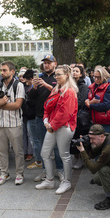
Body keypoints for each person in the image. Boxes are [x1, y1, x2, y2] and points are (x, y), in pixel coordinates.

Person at [35, 65, 78, 194]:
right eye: (56, 74)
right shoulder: (56, 89)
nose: (56, 77)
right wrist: (46, 120)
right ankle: (49, 180)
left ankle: (66, 181)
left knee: (64, 155)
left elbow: (65, 114)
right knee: (45, 153)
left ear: (66, 75)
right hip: (53, 126)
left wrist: (51, 125)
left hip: (64, 127)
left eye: (59, 74)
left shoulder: (69, 91)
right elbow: (47, 106)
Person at [27, 54, 63, 182]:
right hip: (40, 116)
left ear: (55, 63)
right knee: (43, 145)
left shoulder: (58, 76)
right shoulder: (39, 77)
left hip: (56, 116)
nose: (46, 65)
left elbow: (62, 93)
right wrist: (35, 87)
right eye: (45, 63)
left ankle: (60, 170)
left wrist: (46, 86)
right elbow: (30, 97)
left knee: (57, 146)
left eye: (49, 62)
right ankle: (46, 171)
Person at [0, 61, 25, 186]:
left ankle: (19, 173)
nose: (2, 72)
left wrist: (0, 105)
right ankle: (4, 173)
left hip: (14, 123)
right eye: (1, 70)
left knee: (18, 151)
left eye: (4, 70)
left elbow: (17, 105)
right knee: (2, 151)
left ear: (12, 71)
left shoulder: (18, 85)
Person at [85, 67, 110, 133]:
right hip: (92, 120)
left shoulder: (109, 87)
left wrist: (90, 105)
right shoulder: (91, 87)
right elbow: (86, 103)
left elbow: (106, 106)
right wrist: (91, 103)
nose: (96, 79)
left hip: (104, 121)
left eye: (99, 77)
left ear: (104, 77)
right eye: (95, 77)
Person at [71, 65, 89, 169]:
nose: (74, 73)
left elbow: (81, 101)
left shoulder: (83, 86)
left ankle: (82, 159)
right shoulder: (70, 85)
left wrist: (70, 104)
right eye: (73, 71)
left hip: (79, 116)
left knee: (80, 138)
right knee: (73, 138)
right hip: (71, 116)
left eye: (77, 71)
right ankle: (75, 157)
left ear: (81, 74)